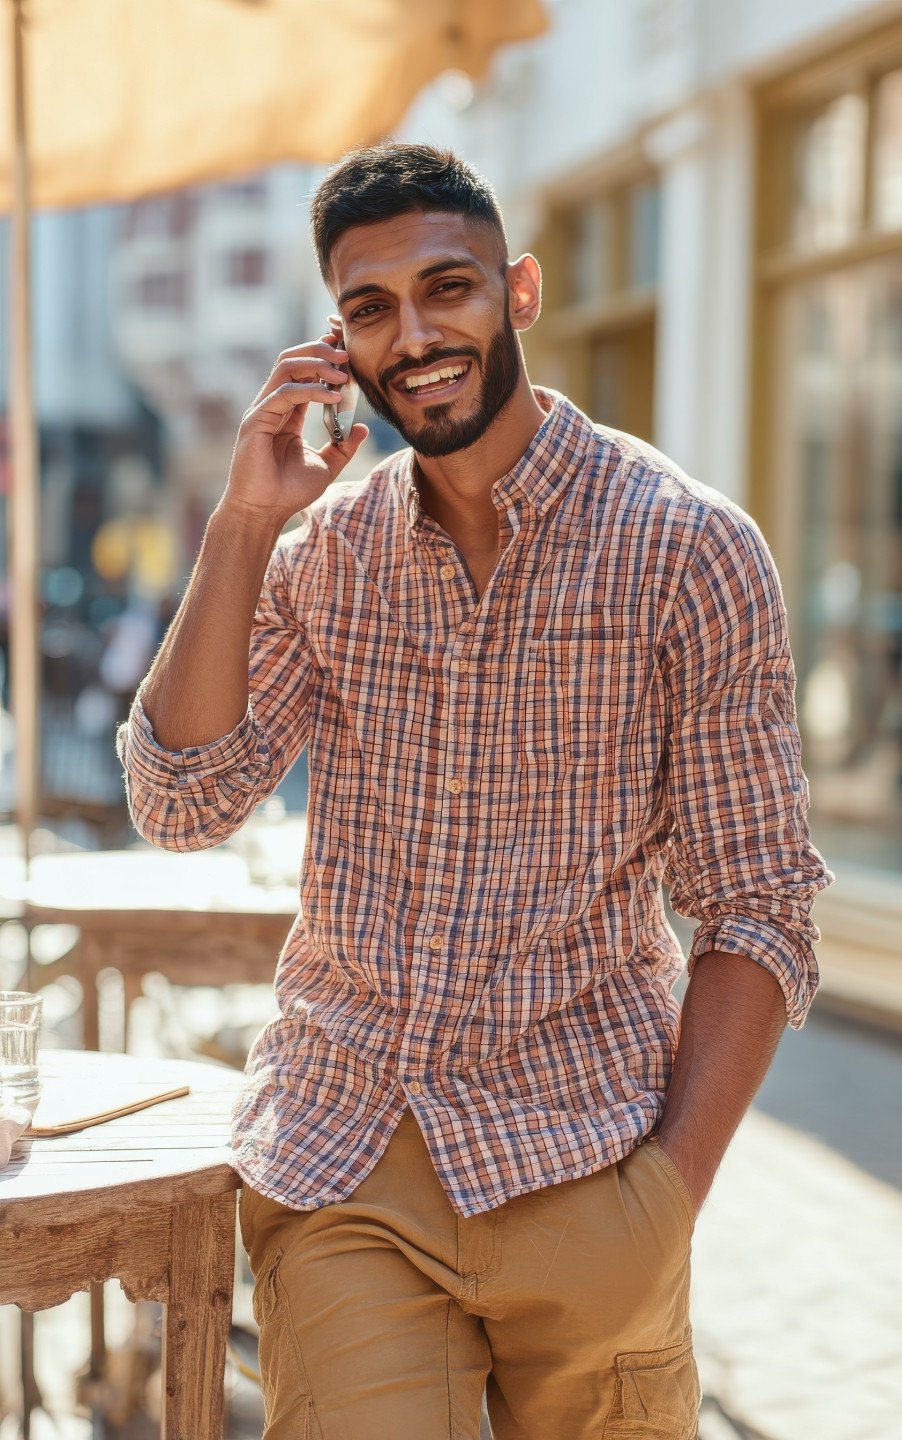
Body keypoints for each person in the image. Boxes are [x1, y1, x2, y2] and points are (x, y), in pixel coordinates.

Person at [117, 144, 834, 1440]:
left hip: (589, 1162)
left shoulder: (689, 549)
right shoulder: (321, 554)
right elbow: (182, 802)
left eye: (447, 287)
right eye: (370, 308)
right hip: (349, 1157)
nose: (416, 334)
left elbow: (760, 905)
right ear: (338, 340)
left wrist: (667, 1199)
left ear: (521, 290)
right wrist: (240, 523)